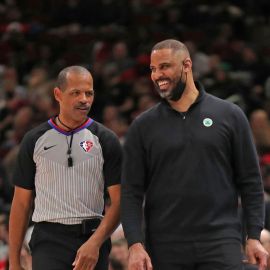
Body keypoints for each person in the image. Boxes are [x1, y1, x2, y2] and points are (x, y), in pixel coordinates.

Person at [121, 39, 269, 270]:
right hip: (164, 245)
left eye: (165, 66)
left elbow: (250, 181)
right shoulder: (143, 125)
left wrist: (253, 235)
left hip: (220, 239)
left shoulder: (229, 115)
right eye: (153, 69)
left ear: (187, 65)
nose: (157, 75)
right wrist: (135, 244)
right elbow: (130, 192)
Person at [9, 65, 122, 270]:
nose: (84, 99)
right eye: (76, 93)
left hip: (93, 236)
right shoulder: (34, 140)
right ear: (58, 94)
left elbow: (120, 201)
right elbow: (21, 204)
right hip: (49, 240)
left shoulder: (106, 139)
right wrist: (14, 262)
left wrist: (95, 243)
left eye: (89, 93)